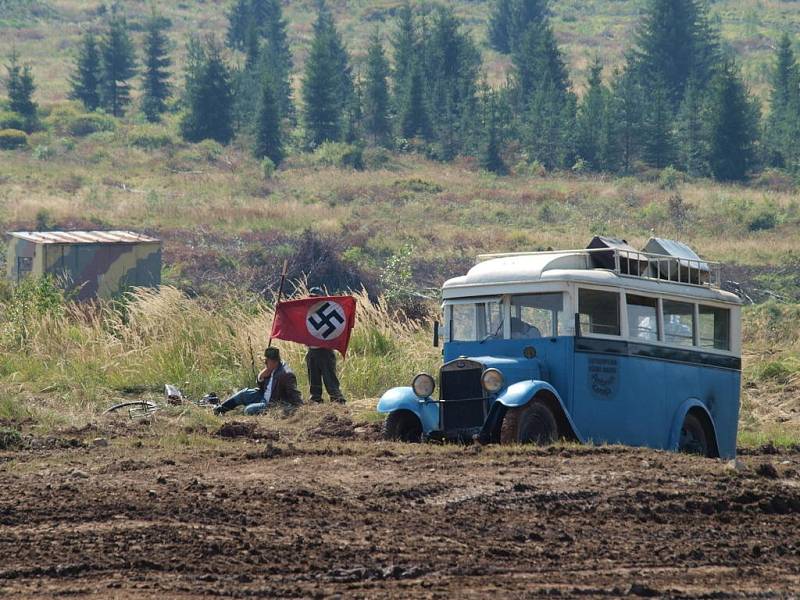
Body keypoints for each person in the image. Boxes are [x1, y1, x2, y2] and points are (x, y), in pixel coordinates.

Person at [214, 347, 301, 415]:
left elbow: (294, 395)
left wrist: (289, 408)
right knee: (243, 394)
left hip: (271, 403)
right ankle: (220, 409)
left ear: (274, 361)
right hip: (263, 396)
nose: (265, 363)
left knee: (249, 410)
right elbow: (262, 387)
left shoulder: (286, 375)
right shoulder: (271, 368)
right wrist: (261, 377)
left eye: (267, 361)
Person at [305, 287, 346, 404]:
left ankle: (338, 402)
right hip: (312, 351)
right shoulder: (306, 311)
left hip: (325, 351)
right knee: (314, 382)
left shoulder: (329, 310)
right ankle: (316, 402)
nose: (313, 299)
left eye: (315, 297)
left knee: (330, 381)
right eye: (311, 297)